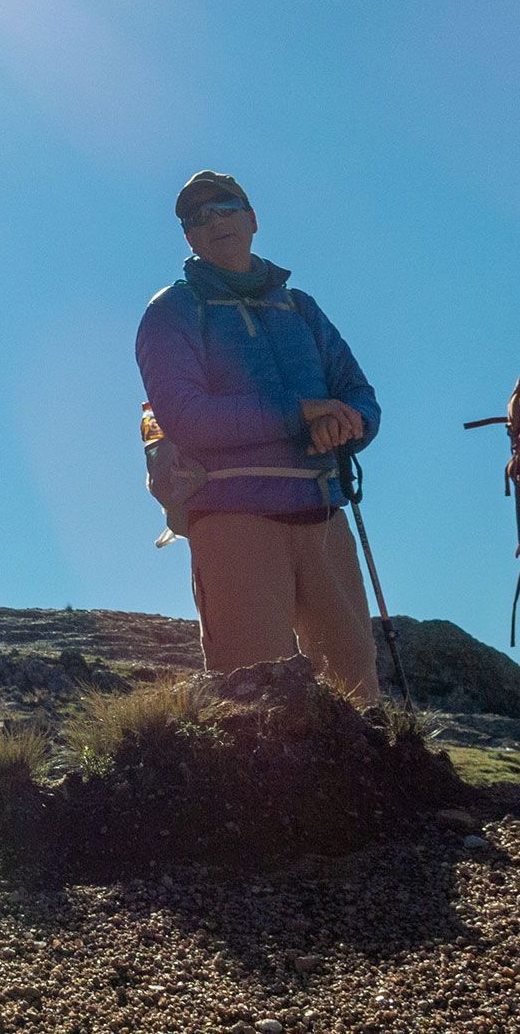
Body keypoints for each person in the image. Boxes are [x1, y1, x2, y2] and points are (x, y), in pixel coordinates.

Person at [134, 172, 383, 702]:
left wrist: (347, 423)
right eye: (196, 218)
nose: (213, 221)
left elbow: (360, 397)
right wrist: (301, 415)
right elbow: (186, 416)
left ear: (252, 219)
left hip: (323, 517)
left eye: (225, 208)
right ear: (189, 239)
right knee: (251, 704)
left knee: (357, 695)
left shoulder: (302, 308)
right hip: (231, 521)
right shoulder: (170, 312)